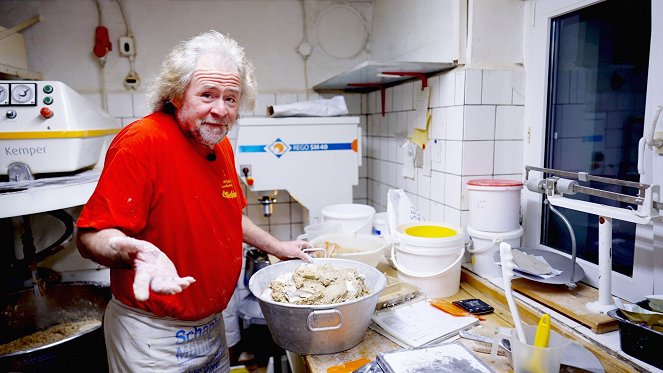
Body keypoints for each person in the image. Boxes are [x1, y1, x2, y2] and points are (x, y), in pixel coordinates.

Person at [76, 30, 311, 373]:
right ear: (176, 95)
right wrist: (130, 250)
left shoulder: (221, 146)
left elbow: (229, 215)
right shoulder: (143, 142)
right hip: (153, 338)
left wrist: (278, 246)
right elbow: (88, 237)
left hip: (209, 327)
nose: (220, 109)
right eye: (207, 95)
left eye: (231, 99)